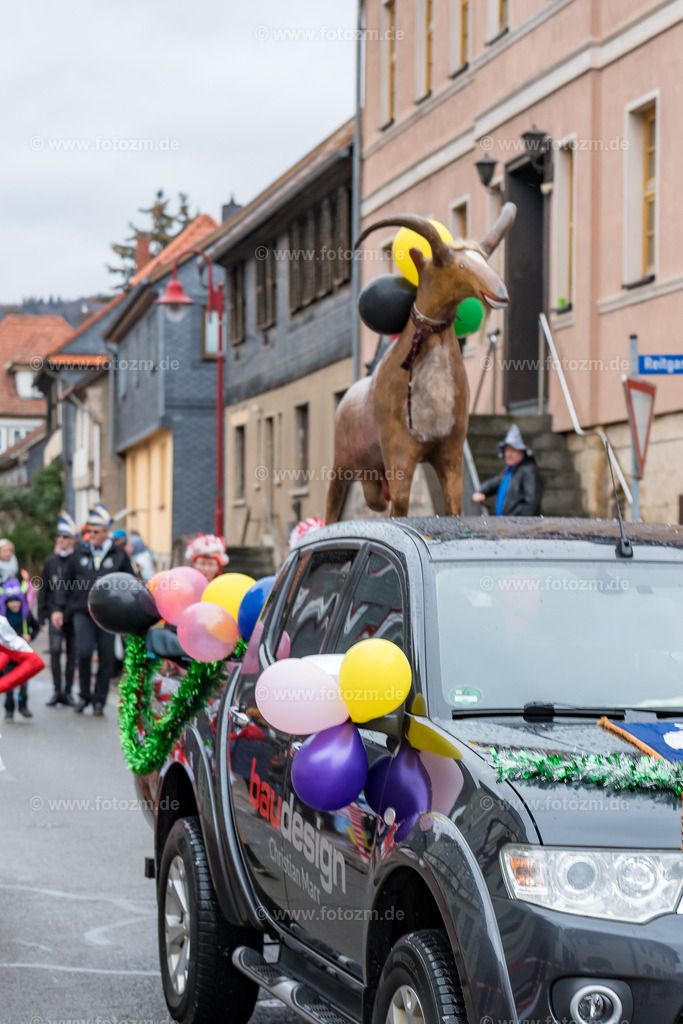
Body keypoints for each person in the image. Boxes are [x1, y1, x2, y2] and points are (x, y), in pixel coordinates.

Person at [51, 504, 134, 716]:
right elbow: (65, 583)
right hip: (83, 611)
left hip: (109, 615)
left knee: (107, 657)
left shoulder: (118, 554)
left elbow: (131, 583)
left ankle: (99, 700)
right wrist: (58, 609)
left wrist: (129, 614)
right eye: (89, 531)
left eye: (96, 532)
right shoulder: (80, 551)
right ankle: (84, 696)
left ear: (107, 532)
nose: (91, 535)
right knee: (85, 653)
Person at [38, 511, 78, 707]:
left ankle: (68, 691)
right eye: (59, 537)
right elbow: (44, 588)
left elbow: (78, 592)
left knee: (72, 653)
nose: (61, 540)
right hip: (54, 614)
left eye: (65, 537)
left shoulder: (78, 560)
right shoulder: (51, 562)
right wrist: (43, 613)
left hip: (73, 616)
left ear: (73, 539)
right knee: (54, 651)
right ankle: (56, 690)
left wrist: (66, 612)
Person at [472, 425, 542, 516]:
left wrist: (515, 523)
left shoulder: (529, 471)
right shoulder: (510, 470)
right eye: (507, 450)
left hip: (517, 527)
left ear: (521, 452)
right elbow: (495, 483)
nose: (508, 454)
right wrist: (481, 491)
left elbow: (532, 505)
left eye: (512, 450)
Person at [2, 577, 40, 720]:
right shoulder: (3, 618)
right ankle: (9, 709)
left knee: (23, 682)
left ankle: (23, 705)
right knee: (9, 683)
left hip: (23, 655)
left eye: (17, 600)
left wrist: (30, 636)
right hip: (7, 655)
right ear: (6, 602)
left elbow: (36, 627)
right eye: (11, 601)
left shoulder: (26, 615)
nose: (14, 604)